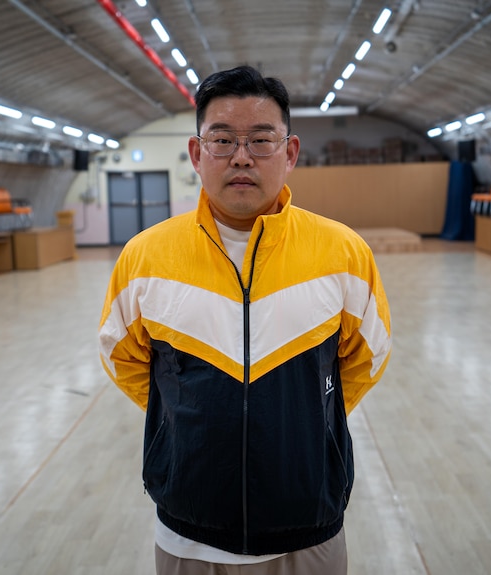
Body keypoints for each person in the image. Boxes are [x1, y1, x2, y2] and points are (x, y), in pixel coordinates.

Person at [98, 65, 392, 574]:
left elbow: (365, 359)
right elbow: (122, 357)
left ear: (290, 152)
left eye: (261, 140)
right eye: (222, 140)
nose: (241, 156)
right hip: (188, 535)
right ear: (196, 153)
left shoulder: (344, 253)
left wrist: (300, 418)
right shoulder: (144, 257)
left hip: (307, 531)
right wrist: (186, 420)